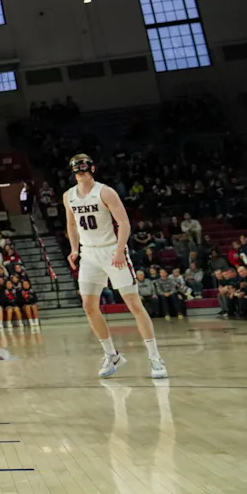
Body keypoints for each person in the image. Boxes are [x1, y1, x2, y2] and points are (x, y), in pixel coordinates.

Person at [64, 153, 168, 379]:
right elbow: (71, 224)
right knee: (88, 305)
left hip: (112, 250)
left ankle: (155, 357)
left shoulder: (105, 191)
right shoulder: (68, 196)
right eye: (76, 168)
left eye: (83, 167)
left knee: (133, 302)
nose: (80, 172)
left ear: (92, 168)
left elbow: (123, 222)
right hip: (89, 254)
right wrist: (74, 249)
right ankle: (112, 355)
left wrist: (120, 250)